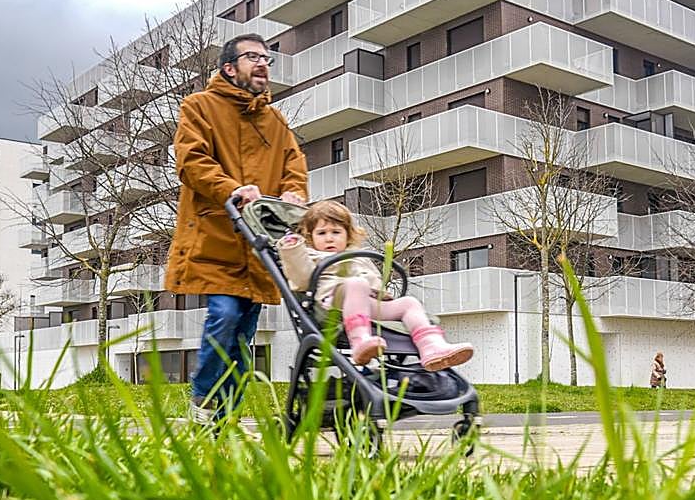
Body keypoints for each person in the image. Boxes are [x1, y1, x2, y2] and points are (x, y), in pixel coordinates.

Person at [167, 33, 308, 426]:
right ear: (229, 68)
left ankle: (226, 417)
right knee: (225, 315)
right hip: (217, 235)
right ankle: (205, 398)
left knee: (244, 334)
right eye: (252, 57)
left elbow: (293, 163)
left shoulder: (274, 121)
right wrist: (231, 189)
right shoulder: (198, 107)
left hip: (259, 241)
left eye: (266, 58)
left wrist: (294, 192)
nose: (262, 63)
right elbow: (191, 161)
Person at [277, 201, 473, 371]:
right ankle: (360, 341)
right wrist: (293, 249)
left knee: (409, 303)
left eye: (336, 232)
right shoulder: (311, 256)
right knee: (357, 283)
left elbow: (375, 281)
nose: (329, 238)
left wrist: (381, 293)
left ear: (347, 235)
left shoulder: (358, 256)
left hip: (368, 304)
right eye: (322, 233)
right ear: (311, 237)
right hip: (334, 306)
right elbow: (300, 278)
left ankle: (433, 347)